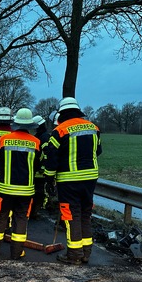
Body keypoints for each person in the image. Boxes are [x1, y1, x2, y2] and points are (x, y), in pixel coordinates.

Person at [44, 97, 102, 265]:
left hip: (69, 180)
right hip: (90, 178)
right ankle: (86, 253)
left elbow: (52, 158)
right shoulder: (94, 128)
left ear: (61, 113)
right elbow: (98, 151)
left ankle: (74, 255)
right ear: (78, 111)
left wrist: (49, 179)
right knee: (85, 214)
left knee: (71, 216)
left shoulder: (60, 130)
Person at [0, 108, 41, 260]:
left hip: (5, 188)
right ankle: (17, 252)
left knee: (1, 216)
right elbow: (38, 164)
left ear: (16, 123)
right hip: (26, 190)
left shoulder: (3, 139)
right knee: (21, 218)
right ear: (30, 125)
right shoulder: (36, 142)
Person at [31, 115, 50, 219]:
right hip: (36, 169)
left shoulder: (44, 137)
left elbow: (46, 153)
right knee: (36, 192)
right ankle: (33, 212)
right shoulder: (39, 136)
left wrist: (42, 166)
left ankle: (35, 212)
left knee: (39, 193)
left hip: (40, 171)